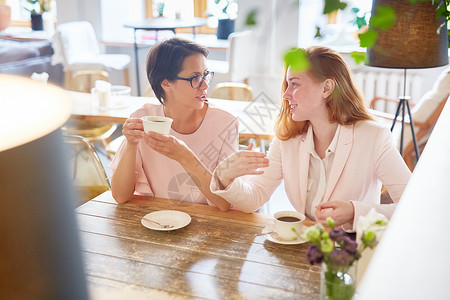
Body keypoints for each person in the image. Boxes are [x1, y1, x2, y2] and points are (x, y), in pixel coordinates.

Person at [210, 46, 411, 229]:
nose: (286, 95)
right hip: (304, 247)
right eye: (287, 85)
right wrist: (225, 177)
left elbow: (413, 205)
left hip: (352, 248)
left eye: (295, 84)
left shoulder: (374, 136)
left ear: (326, 88)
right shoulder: (288, 138)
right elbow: (255, 196)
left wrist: (354, 211)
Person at [109, 37, 238, 211]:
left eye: (205, 74)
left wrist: (185, 156)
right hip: (155, 222)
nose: (205, 85)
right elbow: (119, 196)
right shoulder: (144, 119)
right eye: (195, 77)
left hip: (207, 226)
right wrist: (131, 144)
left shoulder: (225, 123)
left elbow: (224, 203)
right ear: (166, 83)